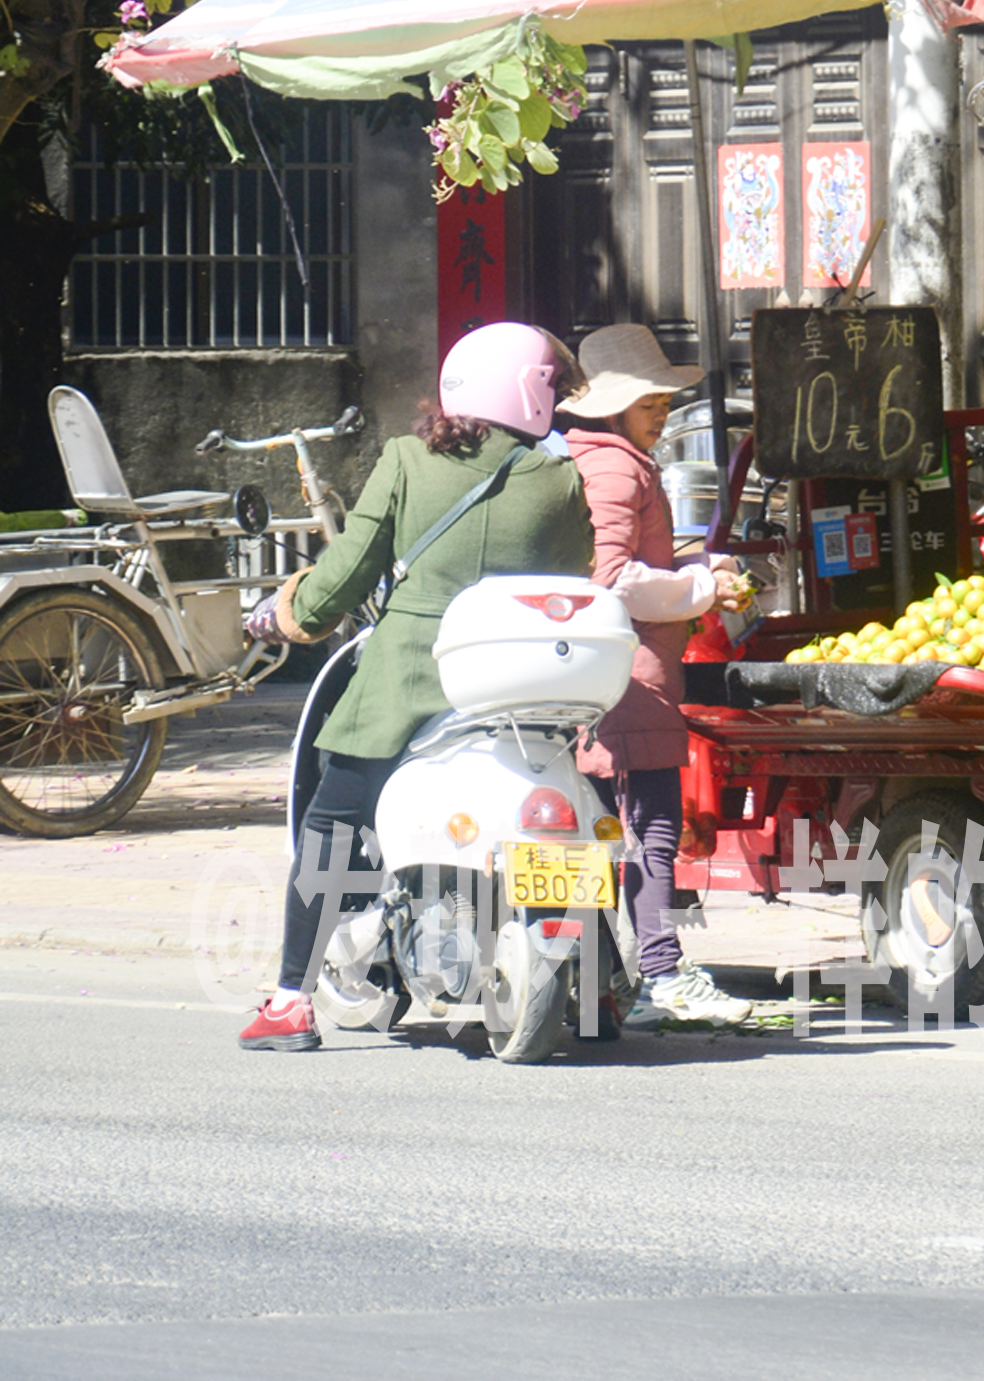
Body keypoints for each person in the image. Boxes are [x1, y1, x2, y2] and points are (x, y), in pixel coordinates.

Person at [236, 322, 592, 1052]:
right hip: (514, 693)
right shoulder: (559, 479)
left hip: (406, 683)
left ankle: (289, 1000)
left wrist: (284, 613)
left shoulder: (405, 460)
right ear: (529, 390)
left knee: (333, 818)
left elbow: (345, 573)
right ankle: (605, 989)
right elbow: (576, 573)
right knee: (578, 804)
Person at [558, 323, 755, 1031]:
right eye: (648, 399)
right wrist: (700, 588)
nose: (662, 409)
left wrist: (696, 572)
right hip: (628, 676)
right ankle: (664, 970)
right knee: (653, 826)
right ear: (612, 404)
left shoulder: (593, 456)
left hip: (609, 673)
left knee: (605, 831)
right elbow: (611, 579)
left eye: (664, 399)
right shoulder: (615, 466)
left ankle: (603, 976)